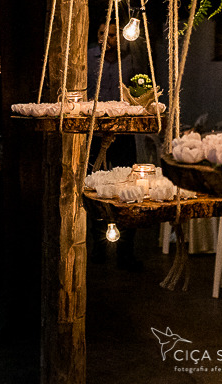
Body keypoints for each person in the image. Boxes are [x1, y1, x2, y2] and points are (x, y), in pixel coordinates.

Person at [86, 21, 144, 271]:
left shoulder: (132, 60)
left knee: (127, 189)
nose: (106, 38)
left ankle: (126, 252)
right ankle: (98, 249)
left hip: (123, 133)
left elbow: (141, 91)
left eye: (111, 35)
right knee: (94, 189)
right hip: (93, 134)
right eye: (102, 34)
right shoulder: (87, 58)